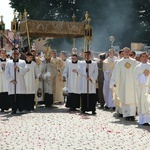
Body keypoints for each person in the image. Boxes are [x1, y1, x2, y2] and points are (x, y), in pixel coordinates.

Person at [112, 47, 138, 121]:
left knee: (132, 98)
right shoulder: (119, 62)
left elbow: (137, 72)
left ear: (129, 52)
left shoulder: (134, 62)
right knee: (124, 98)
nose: (126, 53)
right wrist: (114, 81)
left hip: (132, 83)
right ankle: (126, 114)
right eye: (125, 51)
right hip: (123, 83)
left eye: (128, 51)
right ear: (123, 53)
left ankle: (132, 114)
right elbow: (116, 73)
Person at [5, 48, 27, 114]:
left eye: (17, 54)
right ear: (12, 55)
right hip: (12, 83)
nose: (15, 55)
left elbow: (24, 71)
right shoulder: (8, 63)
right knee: (13, 96)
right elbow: (6, 72)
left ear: (19, 55)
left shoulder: (22, 62)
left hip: (20, 82)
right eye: (14, 54)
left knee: (20, 96)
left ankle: (20, 108)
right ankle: (14, 109)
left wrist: (18, 68)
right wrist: (11, 80)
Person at [78, 51, 98, 115]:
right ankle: (83, 109)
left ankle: (92, 109)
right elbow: (79, 72)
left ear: (90, 55)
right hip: (84, 81)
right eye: (86, 55)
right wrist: (85, 69)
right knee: (84, 95)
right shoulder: (81, 63)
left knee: (92, 96)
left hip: (91, 83)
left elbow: (96, 73)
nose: (87, 56)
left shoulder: (94, 63)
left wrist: (91, 77)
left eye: (88, 55)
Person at [134, 52, 150, 125]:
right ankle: (143, 120)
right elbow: (135, 79)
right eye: (143, 56)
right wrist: (143, 75)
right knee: (142, 103)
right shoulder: (138, 67)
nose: (144, 58)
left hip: (149, 88)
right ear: (140, 58)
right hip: (141, 88)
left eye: (145, 56)